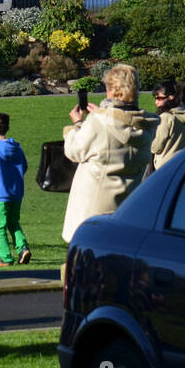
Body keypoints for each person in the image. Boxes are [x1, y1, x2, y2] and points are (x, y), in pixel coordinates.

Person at [61, 63, 160, 243]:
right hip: (127, 207)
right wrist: (101, 114)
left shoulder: (99, 122)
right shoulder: (146, 125)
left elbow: (74, 150)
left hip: (93, 210)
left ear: (112, 89)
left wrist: (76, 125)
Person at [0, 112, 30, 267]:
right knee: (14, 222)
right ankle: (23, 247)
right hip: (16, 193)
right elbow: (25, 166)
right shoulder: (16, 147)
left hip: (0, 194)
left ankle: (6, 257)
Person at [148, 80, 185, 174]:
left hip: (164, 169)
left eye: (159, 98)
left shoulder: (165, 118)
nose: (156, 102)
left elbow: (156, 147)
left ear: (171, 97)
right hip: (181, 165)